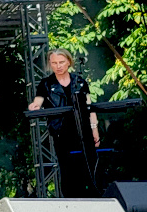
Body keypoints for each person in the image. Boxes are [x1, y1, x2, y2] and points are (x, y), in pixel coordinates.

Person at [28, 49, 101, 197]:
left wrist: (94, 129)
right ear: (50, 64)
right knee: (67, 168)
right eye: (54, 63)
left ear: (69, 62)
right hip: (62, 133)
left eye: (61, 62)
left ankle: (94, 195)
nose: (58, 66)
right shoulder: (46, 84)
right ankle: (70, 198)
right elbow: (37, 102)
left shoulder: (79, 82)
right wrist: (34, 106)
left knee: (90, 165)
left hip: (83, 129)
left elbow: (90, 108)